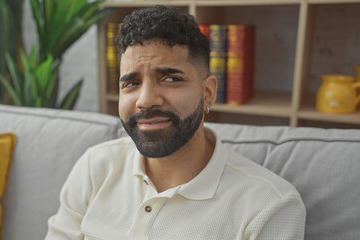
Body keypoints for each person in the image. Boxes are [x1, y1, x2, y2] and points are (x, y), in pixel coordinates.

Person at [46, 5, 306, 240]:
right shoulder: (95, 167)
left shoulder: (270, 206)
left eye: (170, 79)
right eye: (131, 84)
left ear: (208, 93)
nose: (145, 100)